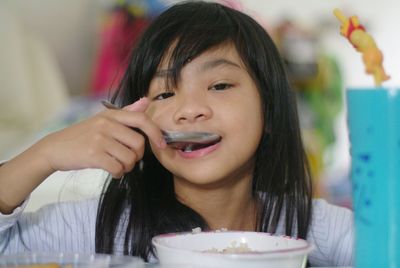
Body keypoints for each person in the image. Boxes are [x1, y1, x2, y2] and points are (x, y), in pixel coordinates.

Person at [0, 1, 353, 266]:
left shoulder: (311, 226)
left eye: (219, 84)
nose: (189, 109)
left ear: (270, 109)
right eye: (165, 94)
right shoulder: (101, 226)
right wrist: (43, 155)